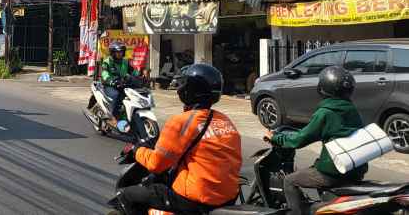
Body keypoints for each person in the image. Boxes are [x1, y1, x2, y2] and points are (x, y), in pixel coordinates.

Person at [118, 64, 242, 214]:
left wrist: (136, 150)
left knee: (127, 195)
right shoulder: (224, 120)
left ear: (189, 90)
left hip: (197, 198)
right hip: (228, 196)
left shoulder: (182, 122)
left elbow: (156, 164)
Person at [266, 66, 366, 215]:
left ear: (323, 89)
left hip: (334, 173)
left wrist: (275, 137)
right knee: (314, 166)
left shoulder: (325, 112)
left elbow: (300, 140)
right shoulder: (352, 110)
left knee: (289, 180)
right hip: (355, 170)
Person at [101, 41, 135, 121]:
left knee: (132, 95)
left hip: (122, 84)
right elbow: (104, 73)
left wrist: (141, 76)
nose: (120, 54)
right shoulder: (107, 61)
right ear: (113, 53)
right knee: (115, 95)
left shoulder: (125, 61)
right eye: (118, 52)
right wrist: (111, 81)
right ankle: (110, 115)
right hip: (110, 85)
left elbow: (133, 71)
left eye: (121, 52)